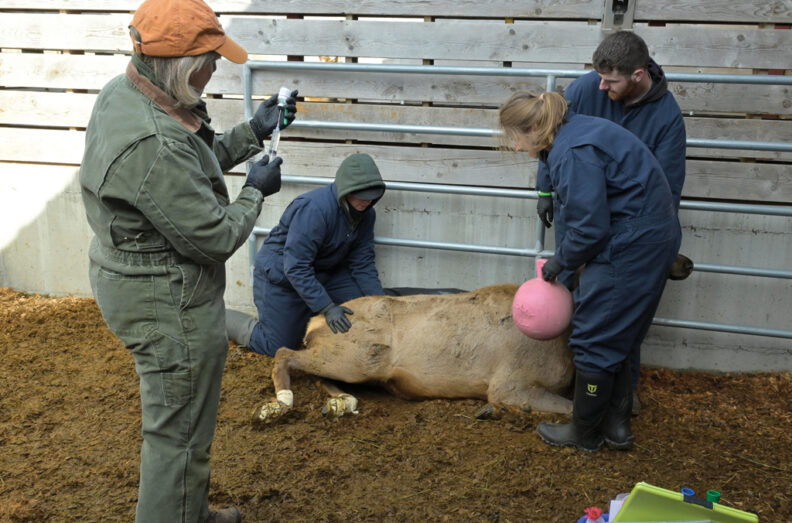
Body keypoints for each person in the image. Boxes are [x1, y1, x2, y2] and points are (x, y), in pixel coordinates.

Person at [79, 0, 297, 521]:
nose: (216, 67)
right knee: (177, 436)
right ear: (181, 64)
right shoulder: (153, 141)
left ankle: (189, 513)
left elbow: (187, 171)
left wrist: (252, 132)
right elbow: (214, 236)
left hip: (141, 281)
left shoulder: (128, 93)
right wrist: (255, 192)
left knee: (184, 427)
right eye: (210, 58)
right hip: (166, 302)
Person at [499, 91, 681, 452]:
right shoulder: (575, 131)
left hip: (631, 243)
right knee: (621, 335)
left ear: (535, 128)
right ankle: (616, 427)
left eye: (517, 138)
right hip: (647, 234)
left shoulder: (572, 152)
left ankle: (583, 433)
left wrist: (557, 264)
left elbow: (588, 227)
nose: (518, 147)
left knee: (594, 338)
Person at [535, 31, 687, 410]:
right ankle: (573, 378)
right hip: (580, 212)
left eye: (611, 81)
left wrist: (660, 243)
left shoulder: (666, 117)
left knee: (620, 309)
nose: (601, 86)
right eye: (598, 77)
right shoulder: (589, 87)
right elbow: (548, 133)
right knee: (564, 288)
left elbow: (667, 186)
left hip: (626, 226)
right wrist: (544, 189)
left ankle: (620, 392)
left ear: (637, 75)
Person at [225, 153, 387, 357]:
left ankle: (309, 309)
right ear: (345, 190)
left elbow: (362, 263)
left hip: (325, 272)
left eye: (372, 195)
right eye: (361, 195)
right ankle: (221, 318)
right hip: (282, 276)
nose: (367, 201)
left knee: (363, 311)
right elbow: (296, 267)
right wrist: (327, 308)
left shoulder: (366, 214)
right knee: (278, 346)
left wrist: (381, 302)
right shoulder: (315, 209)